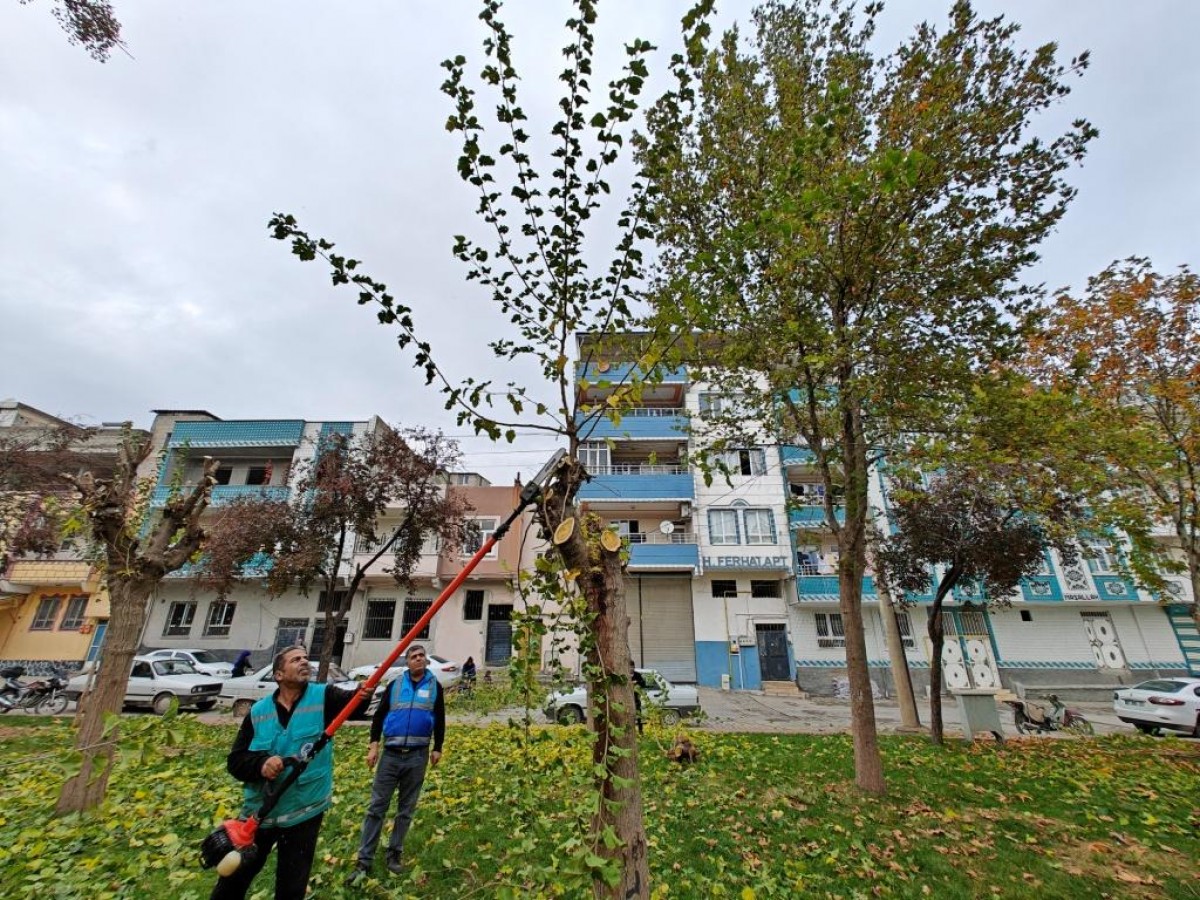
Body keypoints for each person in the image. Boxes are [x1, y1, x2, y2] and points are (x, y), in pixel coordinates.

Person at [211, 645, 362, 900]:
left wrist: (364, 692)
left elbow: (355, 704)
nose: (304, 661)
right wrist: (262, 764)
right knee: (232, 883)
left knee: (292, 887)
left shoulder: (324, 696)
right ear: (279, 675)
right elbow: (236, 761)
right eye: (296, 659)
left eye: (305, 658)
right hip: (260, 813)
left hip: (304, 811)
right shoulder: (258, 713)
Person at [349, 644, 445, 883]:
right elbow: (379, 715)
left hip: (417, 756)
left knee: (406, 809)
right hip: (391, 756)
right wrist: (373, 745)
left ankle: (394, 854)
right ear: (407, 661)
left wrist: (438, 748)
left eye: (422, 656)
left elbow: (440, 718)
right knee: (377, 807)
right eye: (414, 656)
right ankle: (364, 860)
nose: (419, 659)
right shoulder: (395, 685)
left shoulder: (435, 687)